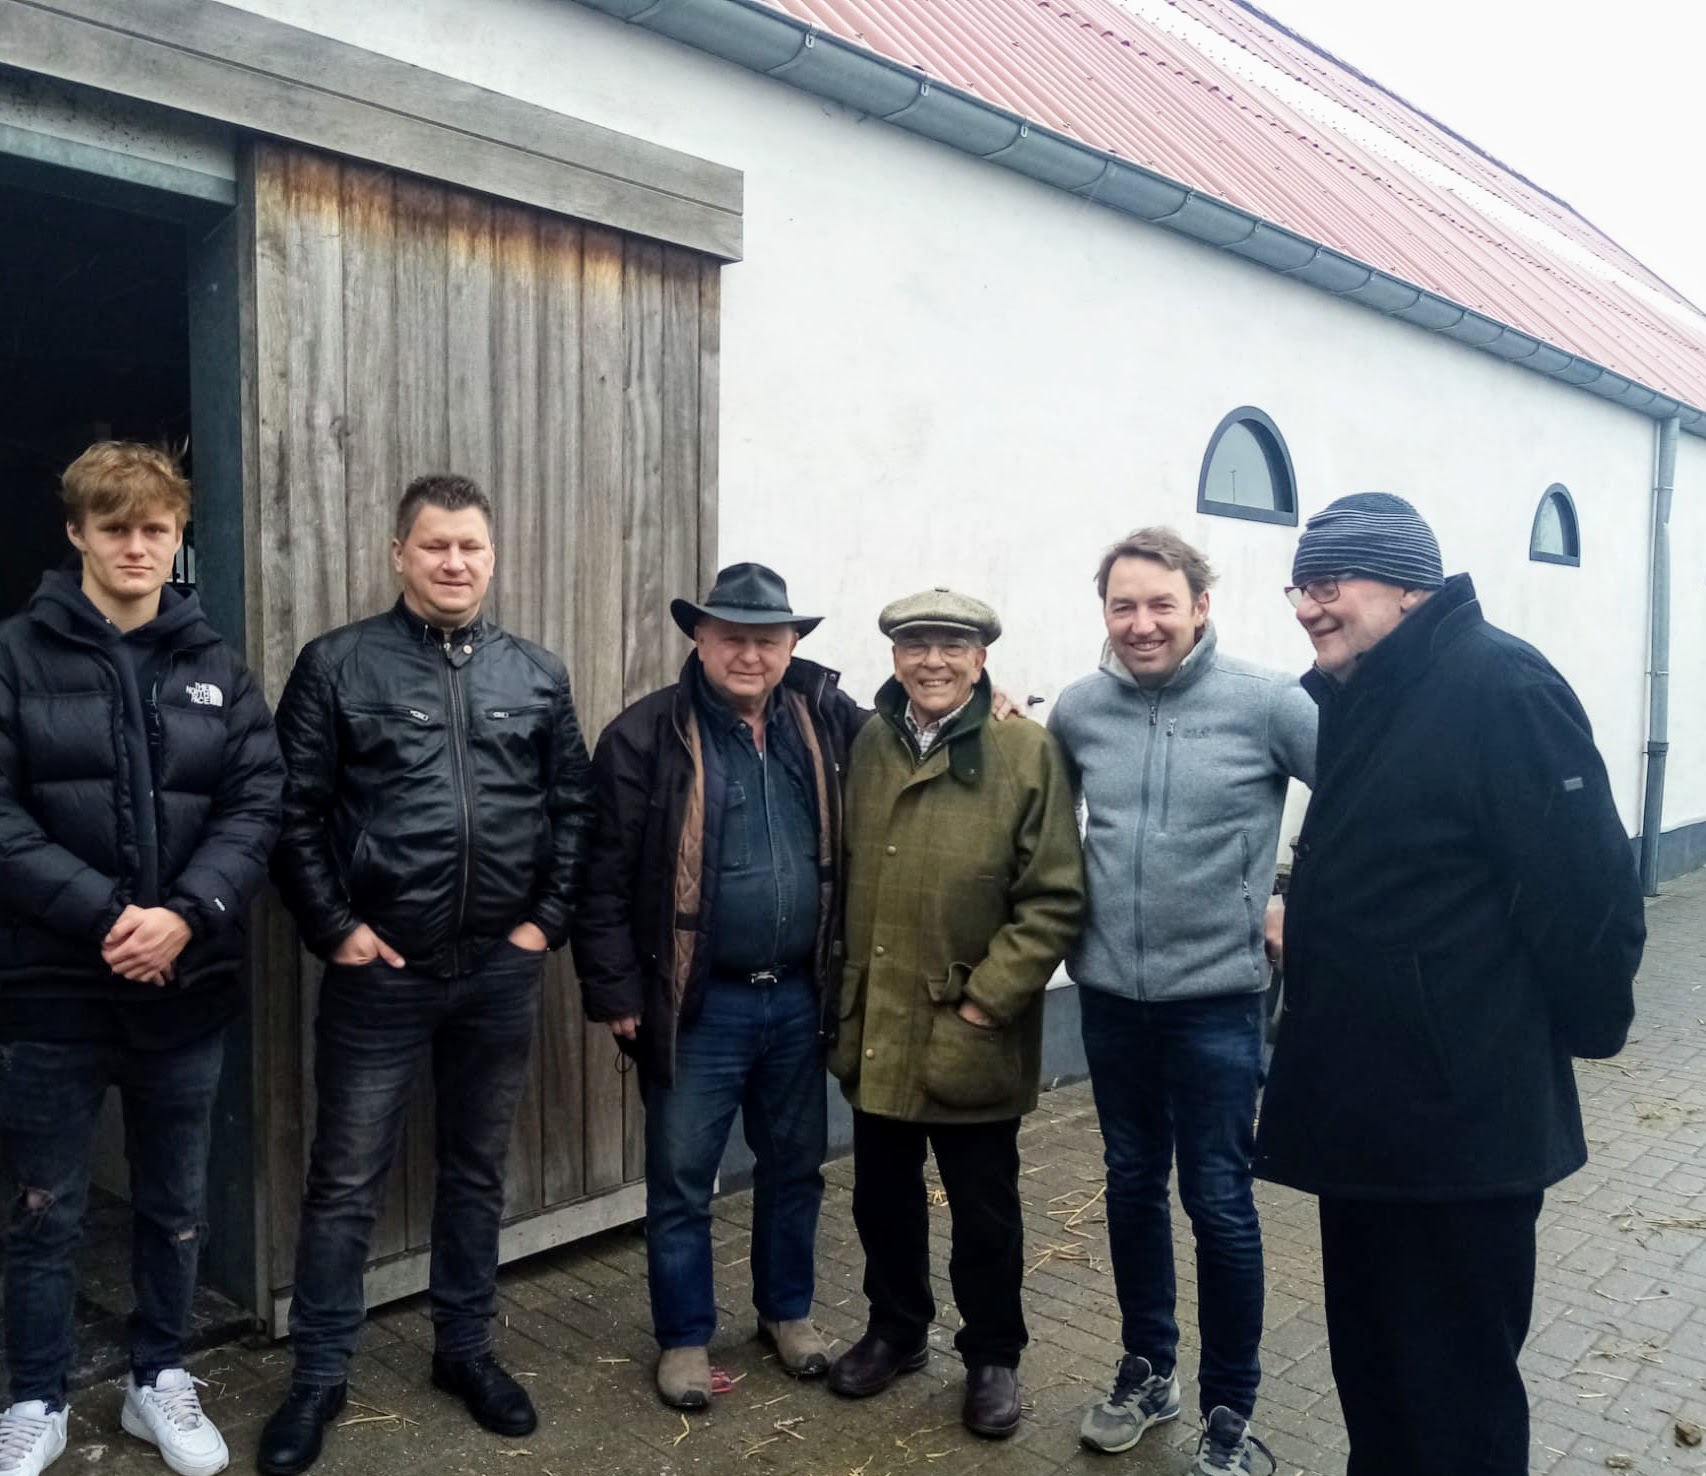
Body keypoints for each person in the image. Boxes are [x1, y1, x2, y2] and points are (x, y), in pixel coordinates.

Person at [1255, 492, 1646, 1476]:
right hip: (1369, 1123)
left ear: (1405, 585)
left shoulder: (1498, 685)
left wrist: (1574, 1033)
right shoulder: (1362, 692)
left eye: (1327, 583)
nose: (1306, 606)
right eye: (1297, 587)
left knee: (1455, 1403)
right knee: (1378, 1382)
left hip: (1459, 1129)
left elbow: (1588, 892)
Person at [257, 474, 594, 1476]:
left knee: (476, 1170)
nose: (454, 562)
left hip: (498, 971)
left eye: (470, 547)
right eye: (435, 545)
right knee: (345, 1181)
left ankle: (465, 1350)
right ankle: (319, 1376)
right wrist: (336, 930)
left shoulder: (535, 674)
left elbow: (571, 808)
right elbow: (290, 810)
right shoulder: (337, 665)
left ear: (492, 557)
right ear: (398, 553)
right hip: (381, 975)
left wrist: (542, 924)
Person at [0, 442, 283, 1476]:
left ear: (176, 537)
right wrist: (114, 918)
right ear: (76, 531)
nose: (135, 546)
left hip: (184, 987)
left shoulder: (217, 667)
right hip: (51, 992)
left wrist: (188, 915)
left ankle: (157, 1377)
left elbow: (257, 802)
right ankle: (35, 1395)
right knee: (44, 1210)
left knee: (174, 1205)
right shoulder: (14, 657)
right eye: (113, 526)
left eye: (154, 528)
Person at [1048, 528, 1315, 1474]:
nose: (1142, 623)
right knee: (1130, 1186)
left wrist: (1294, 895)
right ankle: (1147, 1371)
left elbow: (1362, 794)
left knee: (1219, 1204)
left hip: (1218, 1003)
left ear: (1201, 606)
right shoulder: (1079, 710)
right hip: (1111, 999)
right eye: (1123, 605)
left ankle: (1229, 1412)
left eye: (1162, 603)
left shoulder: (1268, 700)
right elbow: (1038, 815)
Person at [571, 563, 865, 1409]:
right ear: (698, 638)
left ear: (792, 646)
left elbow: (913, 724)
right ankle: (684, 1338)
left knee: (795, 1167)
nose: (749, 654)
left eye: (766, 639)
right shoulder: (644, 736)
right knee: (682, 1180)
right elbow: (601, 876)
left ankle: (787, 1313)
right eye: (731, 636)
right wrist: (616, 990)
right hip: (699, 1002)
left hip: (799, 994)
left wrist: (993, 700)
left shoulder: (823, 720)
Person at [824, 589, 1083, 1440]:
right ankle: (897, 1330)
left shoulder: (1024, 749)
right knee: (881, 1199)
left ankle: (993, 1354)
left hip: (970, 1027)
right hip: (879, 1023)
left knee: (984, 1212)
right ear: (894, 656)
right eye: (915, 645)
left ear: (981, 659)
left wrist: (987, 1001)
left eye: (951, 646)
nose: (932, 661)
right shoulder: (868, 740)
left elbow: (1053, 896)